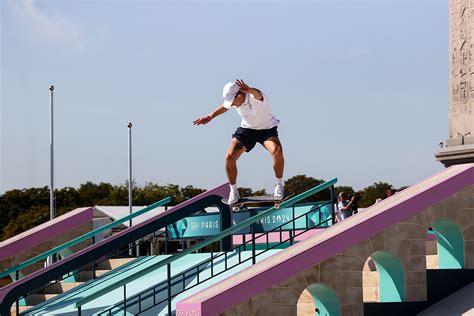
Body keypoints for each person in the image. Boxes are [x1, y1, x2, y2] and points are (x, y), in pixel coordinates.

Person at [193, 79, 285, 204]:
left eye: (233, 102)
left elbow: (257, 93)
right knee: (229, 157)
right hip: (247, 130)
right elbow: (224, 107)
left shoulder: (255, 96)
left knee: (277, 151)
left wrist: (250, 89)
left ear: (241, 94)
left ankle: (279, 185)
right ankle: (233, 190)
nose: (232, 105)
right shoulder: (235, 101)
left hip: (267, 130)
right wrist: (209, 117)